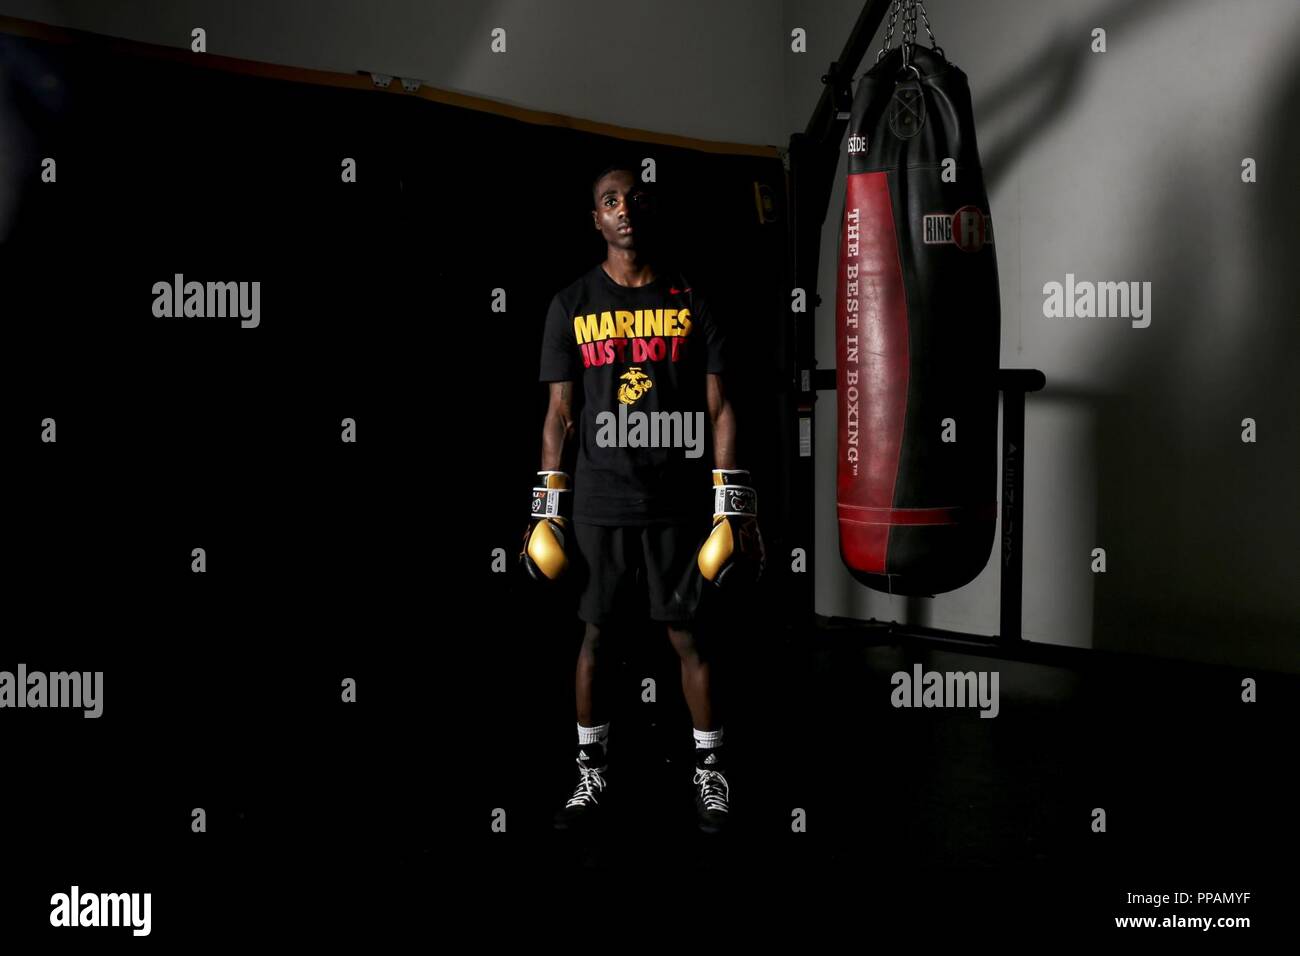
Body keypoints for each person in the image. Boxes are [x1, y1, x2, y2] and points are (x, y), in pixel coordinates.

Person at [523, 160, 762, 834]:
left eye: (633, 198)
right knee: (595, 636)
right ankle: (590, 773)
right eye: (609, 200)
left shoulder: (692, 301)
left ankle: (710, 773)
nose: (623, 208)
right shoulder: (571, 304)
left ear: (647, 210)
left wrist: (731, 505)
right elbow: (560, 416)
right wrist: (547, 506)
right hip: (599, 502)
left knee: (690, 637)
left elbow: (721, 407)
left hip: (678, 502)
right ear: (595, 219)